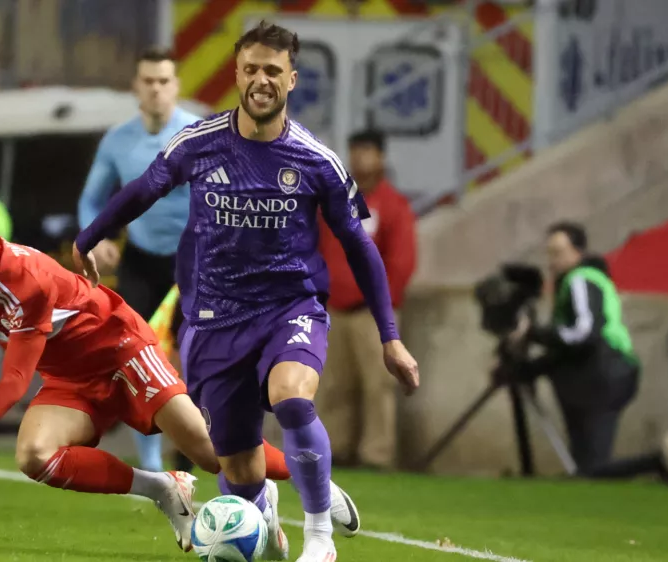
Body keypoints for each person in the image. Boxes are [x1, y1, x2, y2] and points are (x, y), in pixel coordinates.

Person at [0, 202, 360, 553]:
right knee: (34, 457)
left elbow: (12, 386)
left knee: (215, 455)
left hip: (121, 348)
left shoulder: (28, 282)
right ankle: (163, 491)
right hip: (71, 374)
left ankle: (317, 482)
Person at [73, 21, 419, 562]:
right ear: (236, 74)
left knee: (292, 398)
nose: (261, 80)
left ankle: (321, 540)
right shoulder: (198, 143)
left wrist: (390, 337)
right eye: (251, 68)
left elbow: (359, 245)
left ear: (292, 79)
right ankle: (275, 521)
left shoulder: (316, 160)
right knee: (235, 468)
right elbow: (142, 189)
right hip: (214, 319)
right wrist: (87, 240)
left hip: (290, 307)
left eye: (273, 71)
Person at [77, 47, 201, 473]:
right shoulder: (118, 140)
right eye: (148, 81)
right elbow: (91, 198)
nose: (156, 89)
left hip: (194, 264)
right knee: (135, 360)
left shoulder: (197, 134)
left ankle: (188, 458)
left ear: (176, 86)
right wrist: (94, 239)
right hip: (141, 261)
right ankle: (151, 466)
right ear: (136, 87)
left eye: (164, 81)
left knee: (194, 358)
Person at [315, 128, 417, 469]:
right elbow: (314, 247)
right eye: (355, 151)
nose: (359, 158)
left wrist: (383, 303)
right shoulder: (334, 201)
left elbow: (402, 262)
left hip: (371, 314)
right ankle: (337, 450)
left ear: (382, 157)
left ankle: (377, 455)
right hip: (331, 310)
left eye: (367, 151)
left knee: (378, 385)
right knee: (333, 386)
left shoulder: (393, 206)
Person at [508, 222, 641, 475]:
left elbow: (583, 333)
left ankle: (659, 461)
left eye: (558, 252)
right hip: (602, 372)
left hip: (604, 373)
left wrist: (533, 333)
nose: (551, 261)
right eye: (549, 253)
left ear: (577, 252)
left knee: (593, 465)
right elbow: (569, 345)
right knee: (586, 461)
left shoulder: (580, 279)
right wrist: (532, 367)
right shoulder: (579, 281)